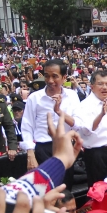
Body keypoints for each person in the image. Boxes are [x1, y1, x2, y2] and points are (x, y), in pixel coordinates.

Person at [21, 59, 80, 189]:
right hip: (42, 149)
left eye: (55, 76)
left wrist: (59, 112)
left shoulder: (72, 96)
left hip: (65, 148)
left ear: (64, 77)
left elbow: (78, 124)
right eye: (47, 76)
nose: (50, 80)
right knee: (44, 189)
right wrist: (30, 153)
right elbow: (27, 126)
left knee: (64, 189)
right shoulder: (34, 98)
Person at [73, 70, 107, 187]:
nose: (105, 87)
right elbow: (86, 130)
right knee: (98, 189)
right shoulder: (84, 106)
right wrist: (101, 115)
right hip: (96, 155)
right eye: (100, 84)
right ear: (92, 87)